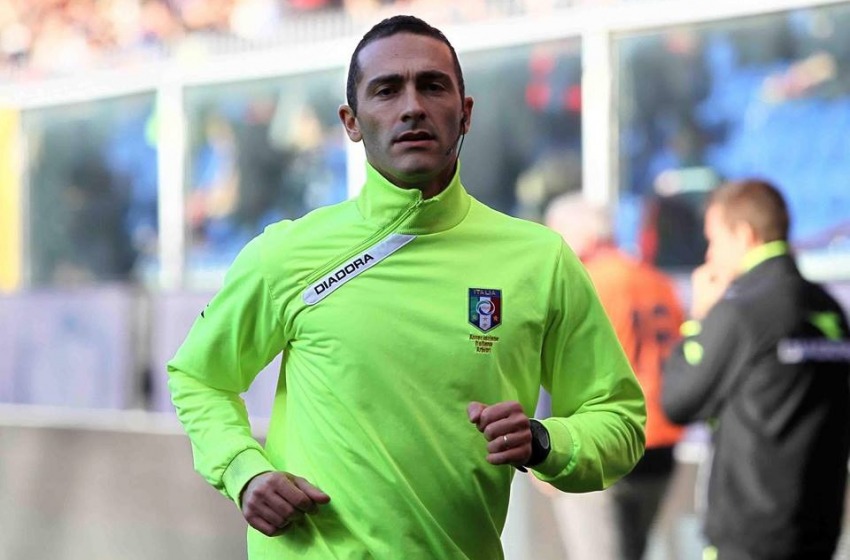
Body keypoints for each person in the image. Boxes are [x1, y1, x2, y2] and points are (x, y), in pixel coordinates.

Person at [167, 15, 645, 559]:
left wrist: (543, 441)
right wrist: (243, 470)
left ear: (465, 114)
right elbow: (199, 376)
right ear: (351, 122)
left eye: (433, 86)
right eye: (386, 90)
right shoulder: (285, 254)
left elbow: (620, 421)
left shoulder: (541, 260)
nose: (412, 106)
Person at [661, 179, 850, 560]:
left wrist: (699, 319)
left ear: (744, 235)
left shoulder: (740, 311)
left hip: (748, 534)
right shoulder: (829, 309)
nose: (709, 254)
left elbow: (678, 401)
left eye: (714, 240)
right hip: (819, 527)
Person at [544, 194, 685, 560]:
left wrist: (547, 446)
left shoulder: (583, 282)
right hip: (659, 443)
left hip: (602, 441)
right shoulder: (657, 281)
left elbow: (558, 367)